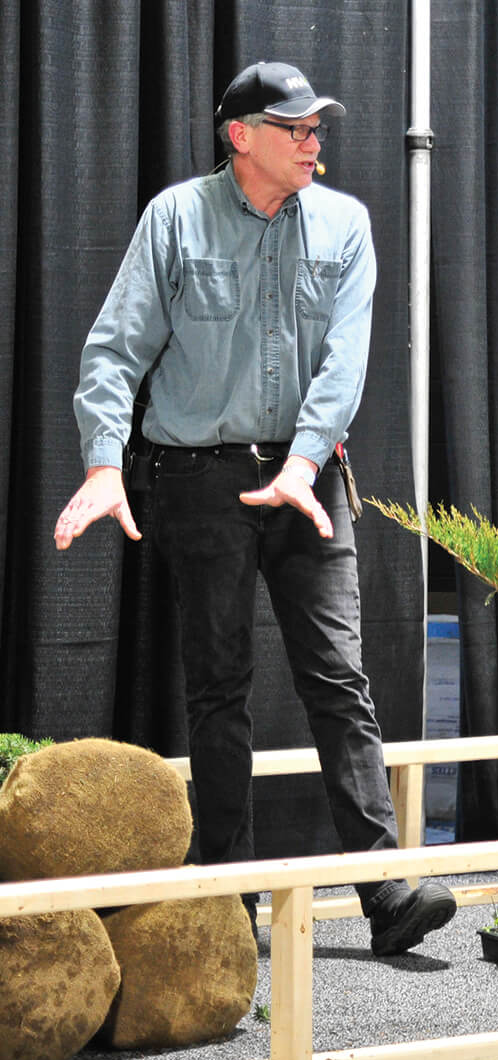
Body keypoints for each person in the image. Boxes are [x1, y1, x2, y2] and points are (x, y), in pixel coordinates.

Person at [53, 61, 455, 956]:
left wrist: (306, 464)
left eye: (319, 128)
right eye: (296, 129)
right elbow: (116, 350)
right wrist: (102, 463)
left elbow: (345, 364)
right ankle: (228, 899)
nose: (315, 142)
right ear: (242, 136)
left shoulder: (346, 224)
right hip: (198, 479)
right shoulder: (177, 218)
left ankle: (386, 889)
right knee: (218, 688)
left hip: (306, 484)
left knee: (339, 679)